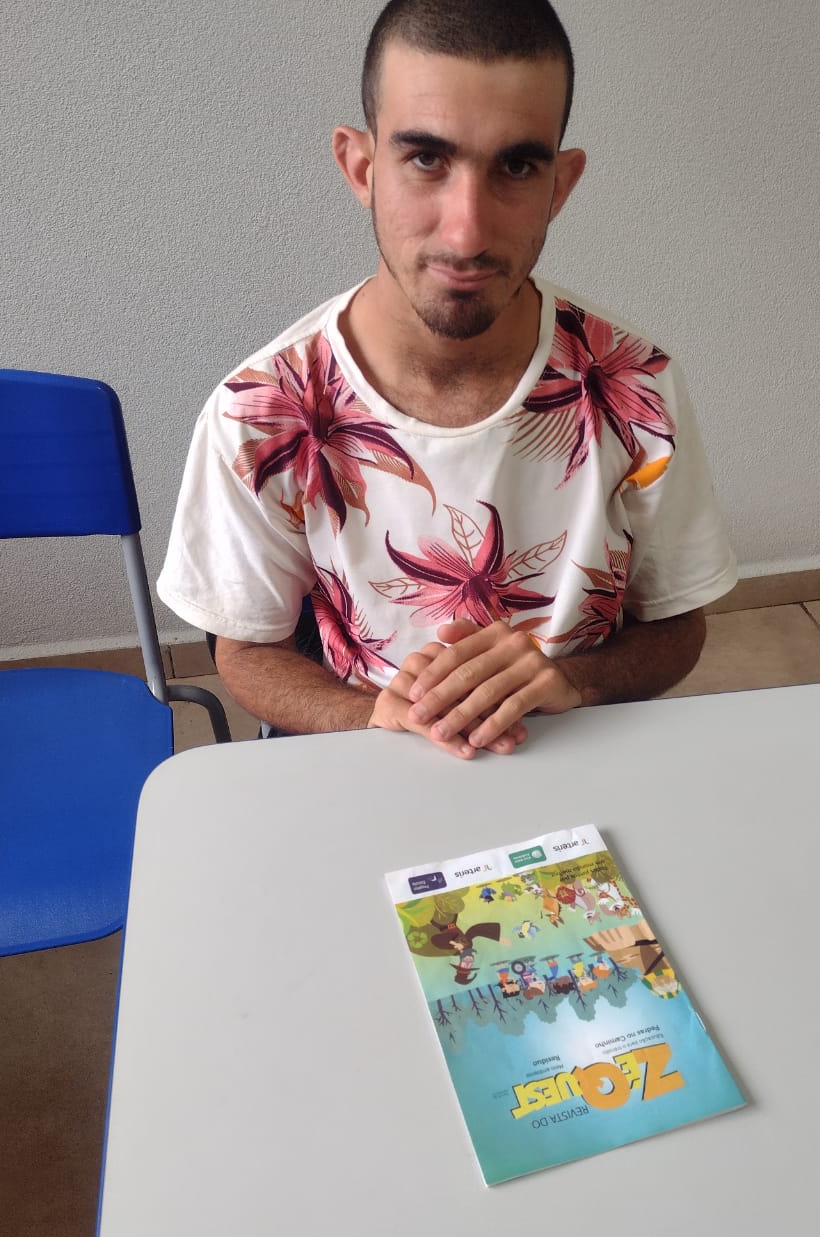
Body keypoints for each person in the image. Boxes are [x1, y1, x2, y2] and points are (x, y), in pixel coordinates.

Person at [157, 0, 736, 759]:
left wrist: (576, 682)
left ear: (560, 185)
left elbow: (678, 623)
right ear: (362, 168)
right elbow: (246, 650)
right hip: (373, 765)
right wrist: (373, 717)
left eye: (516, 167)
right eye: (427, 159)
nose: (466, 232)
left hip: (580, 761)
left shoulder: (635, 386)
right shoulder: (262, 412)